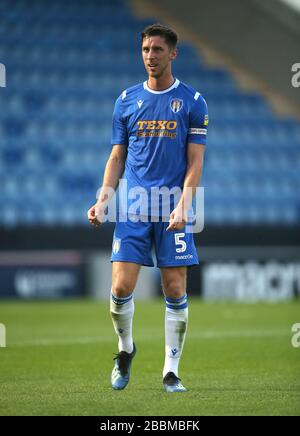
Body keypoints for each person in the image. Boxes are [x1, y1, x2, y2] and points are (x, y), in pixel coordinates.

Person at [87, 23, 208, 392]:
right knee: (121, 288)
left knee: (174, 288)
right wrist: (103, 198)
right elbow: (117, 155)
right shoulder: (125, 100)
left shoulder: (193, 101)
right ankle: (125, 350)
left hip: (174, 208)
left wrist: (184, 205)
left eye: (157, 50)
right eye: (145, 50)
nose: (150, 56)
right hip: (135, 207)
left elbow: (195, 161)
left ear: (173, 53)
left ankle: (171, 371)